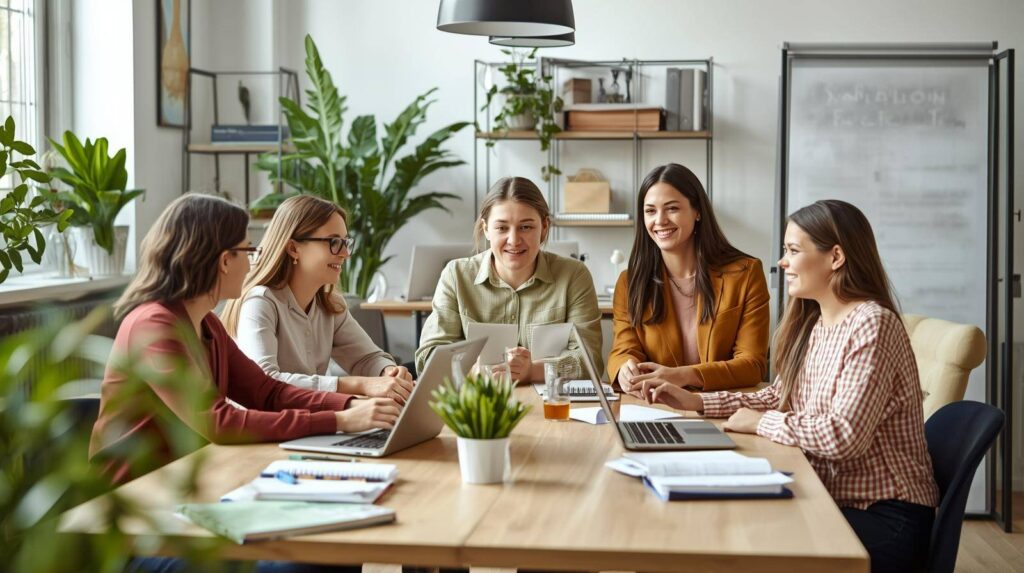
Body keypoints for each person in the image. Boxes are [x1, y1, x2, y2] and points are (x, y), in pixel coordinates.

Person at [641, 199, 938, 573]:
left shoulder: (871, 324)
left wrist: (759, 423)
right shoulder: (819, 323)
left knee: (737, 545)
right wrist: (696, 403)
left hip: (885, 517)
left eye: (793, 251)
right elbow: (776, 397)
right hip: (832, 498)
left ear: (836, 257)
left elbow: (843, 437)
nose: (782, 263)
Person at [89, 194, 400, 485]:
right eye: (248, 251)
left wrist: (352, 405)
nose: (253, 262)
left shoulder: (207, 323)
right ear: (225, 261)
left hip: (187, 478)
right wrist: (339, 420)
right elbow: (219, 422)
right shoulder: (154, 326)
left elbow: (267, 392)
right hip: (131, 495)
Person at [221, 195, 414, 405]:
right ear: (293, 248)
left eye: (345, 242)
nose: (345, 254)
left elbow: (366, 358)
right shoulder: (261, 302)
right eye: (333, 242)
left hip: (311, 426)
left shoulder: (331, 305)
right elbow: (265, 381)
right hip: (262, 433)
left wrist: (389, 372)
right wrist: (358, 385)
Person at [415, 176, 603, 382]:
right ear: (486, 229)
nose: (514, 240)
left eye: (526, 227)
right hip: (477, 405)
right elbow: (428, 357)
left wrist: (533, 370)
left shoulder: (574, 275)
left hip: (549, 407)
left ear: (544, 228)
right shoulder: (456, 275)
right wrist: (470, 371)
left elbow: (590, 361)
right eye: (502, 228)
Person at [608, 163, 769, 394]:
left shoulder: (745, 274)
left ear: (697, 211)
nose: (660, 220)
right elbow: (624, 349)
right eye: (650, 211)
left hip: (722, 406)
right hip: (655, 408)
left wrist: (681, 376)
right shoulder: (630, 282)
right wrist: (625, 368)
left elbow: (752, 365)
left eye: (672, 208)